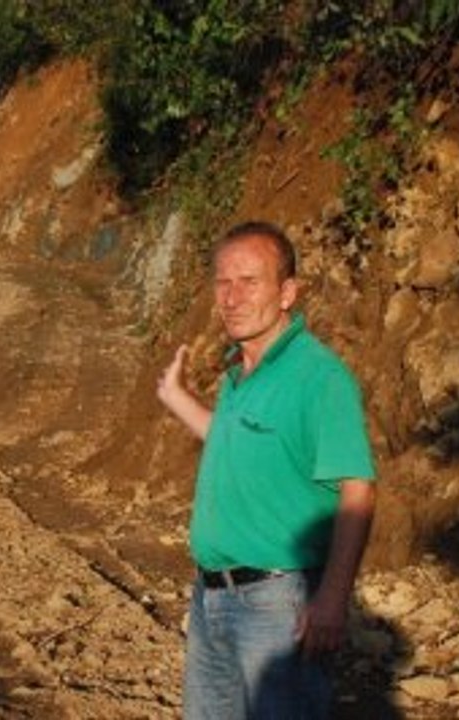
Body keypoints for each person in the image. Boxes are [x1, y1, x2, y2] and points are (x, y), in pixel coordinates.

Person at [156, 221, 377, 719]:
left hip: (278, 605)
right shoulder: (240, 372)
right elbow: (233, 440)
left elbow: (358, 489)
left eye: (249, 282)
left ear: (287, 293)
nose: (232, 297)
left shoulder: (319, 377)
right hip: (211, 597)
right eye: (223, 283)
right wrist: (177, 398)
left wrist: (333, 598)